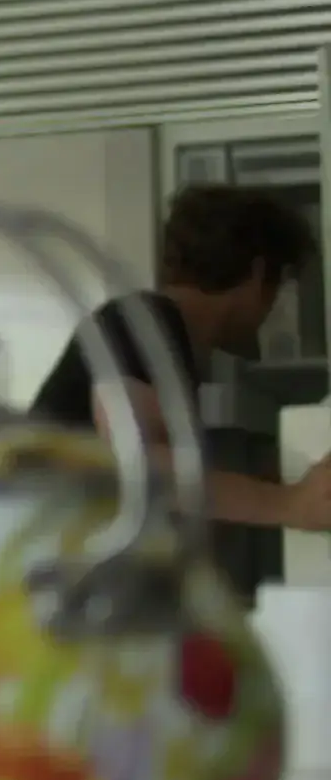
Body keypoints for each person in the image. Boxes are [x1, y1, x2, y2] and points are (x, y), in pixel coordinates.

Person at [29, 183, 331, 538]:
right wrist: (289, 504)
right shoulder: (146, 321)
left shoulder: (161, 334)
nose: (273, 309)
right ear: (258, 274)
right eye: (280, 288)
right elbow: (139, 464)